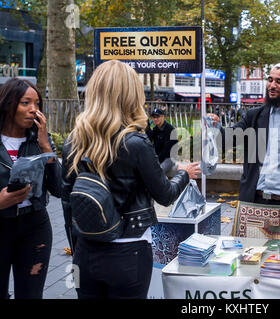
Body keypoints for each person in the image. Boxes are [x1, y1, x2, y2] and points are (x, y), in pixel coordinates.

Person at [61, 60, 200, 299]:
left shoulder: (74, 140)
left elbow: (67, 203)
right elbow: (165, 195)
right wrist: (184, 174)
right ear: (131, 95)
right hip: (129, 251)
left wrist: (76, 251)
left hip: (84, 251)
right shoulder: (135, 142)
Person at [209, 63, 280, 219]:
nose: (272, 85)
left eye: (279, 81)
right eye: (270, 80)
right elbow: (226, 140)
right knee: (248, 245)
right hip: (253, 202)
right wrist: (214, 126)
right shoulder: (253, 116)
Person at [0, 78, 62, 299]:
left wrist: (46, 146)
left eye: (37, 104)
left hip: (35, 226)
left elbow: (59, 188)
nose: (33, 110)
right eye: (26, 103)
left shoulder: (39, 141)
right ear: (8, 104)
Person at [145, 108, 177, 174]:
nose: (155, 119)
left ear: (163, 117)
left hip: (169, 158)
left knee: (158, 172)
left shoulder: (170, 130)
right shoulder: (156, 129)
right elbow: (149, 139)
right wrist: (147, 124)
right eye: (153, 117)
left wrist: (156, 162)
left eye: (157, 117)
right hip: (158, 157)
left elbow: (167, 150)